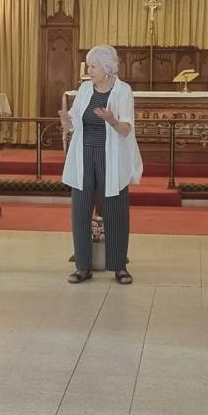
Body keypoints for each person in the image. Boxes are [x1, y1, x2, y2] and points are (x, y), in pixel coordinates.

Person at [59, 44, 142, 285]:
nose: (89, 70)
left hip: (111, 156)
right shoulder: (85, 89)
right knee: (80, 209)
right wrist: (65, 121)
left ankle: (119, 266)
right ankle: (83, 266)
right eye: (89, 65)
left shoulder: (123, 91)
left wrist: (111, 119)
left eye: (93, 66)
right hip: (84, 155)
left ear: (107, 68)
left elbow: (126, 130)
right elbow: (74, 125)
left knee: (115, 209)